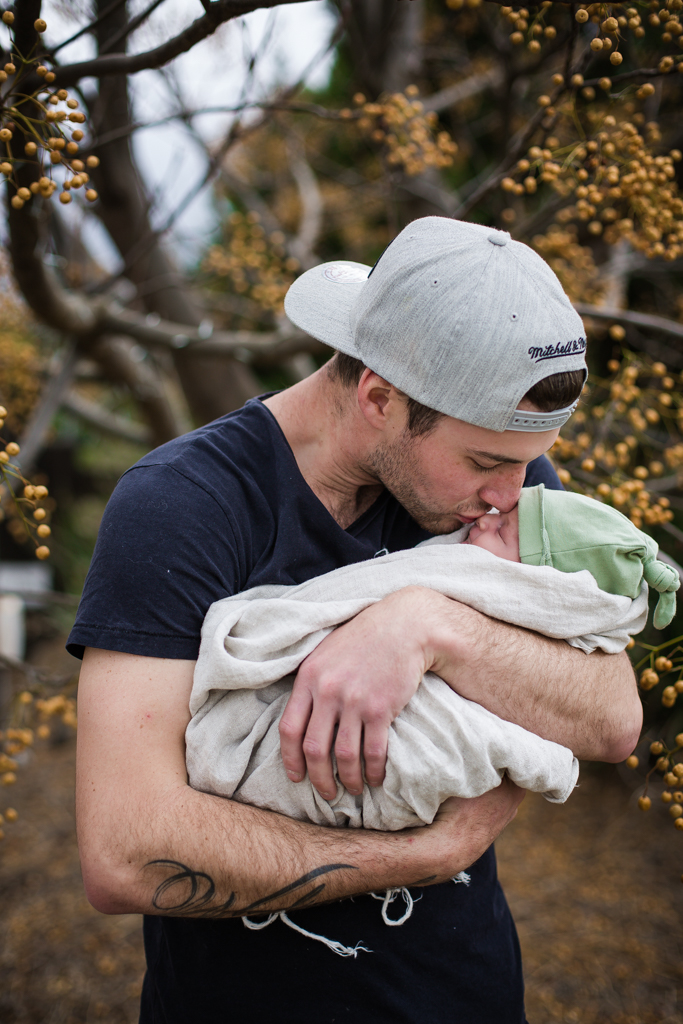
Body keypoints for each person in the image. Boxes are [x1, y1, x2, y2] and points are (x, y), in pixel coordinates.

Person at [72, 217, 641, 1024]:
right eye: (486, 462)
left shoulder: (500, 481)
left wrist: (424, 625)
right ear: (379, 396)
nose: (513, 497)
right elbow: (125, 855)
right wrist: (426, 855)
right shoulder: (182, 507)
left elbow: (613, 716)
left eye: (525, 462)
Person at [186, 484, 676, 838]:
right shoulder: (194, 495)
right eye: (484, 461)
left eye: (503, 528)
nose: (493, 506)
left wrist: (427, 623)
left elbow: (616, 727)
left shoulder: (515, 494)